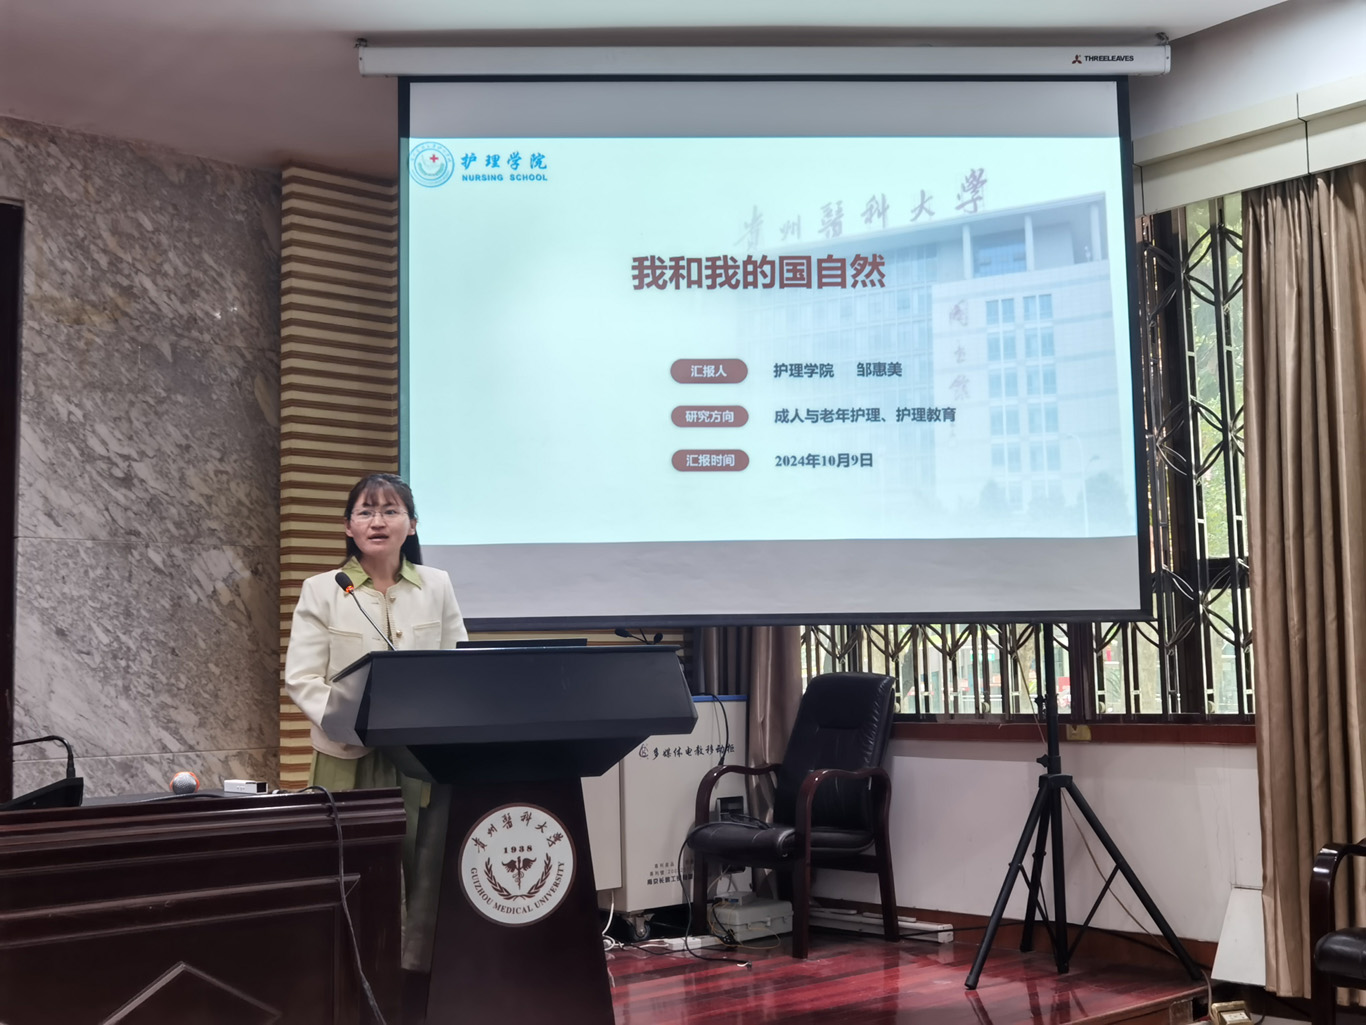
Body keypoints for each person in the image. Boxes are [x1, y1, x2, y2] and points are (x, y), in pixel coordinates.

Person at [284, 471, 466, 971]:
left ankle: (418, 975)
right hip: (349, 753)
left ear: (412, 524)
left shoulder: (436, 585)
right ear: (348, 526)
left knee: (422, 867)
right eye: (365, 512)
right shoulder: (324, 590)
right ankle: (350, 973)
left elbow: (457, 666)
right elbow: (303, 679)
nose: (377, 521)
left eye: (390, 511)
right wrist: (354, 723)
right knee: (354, 868)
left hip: (421, 758)